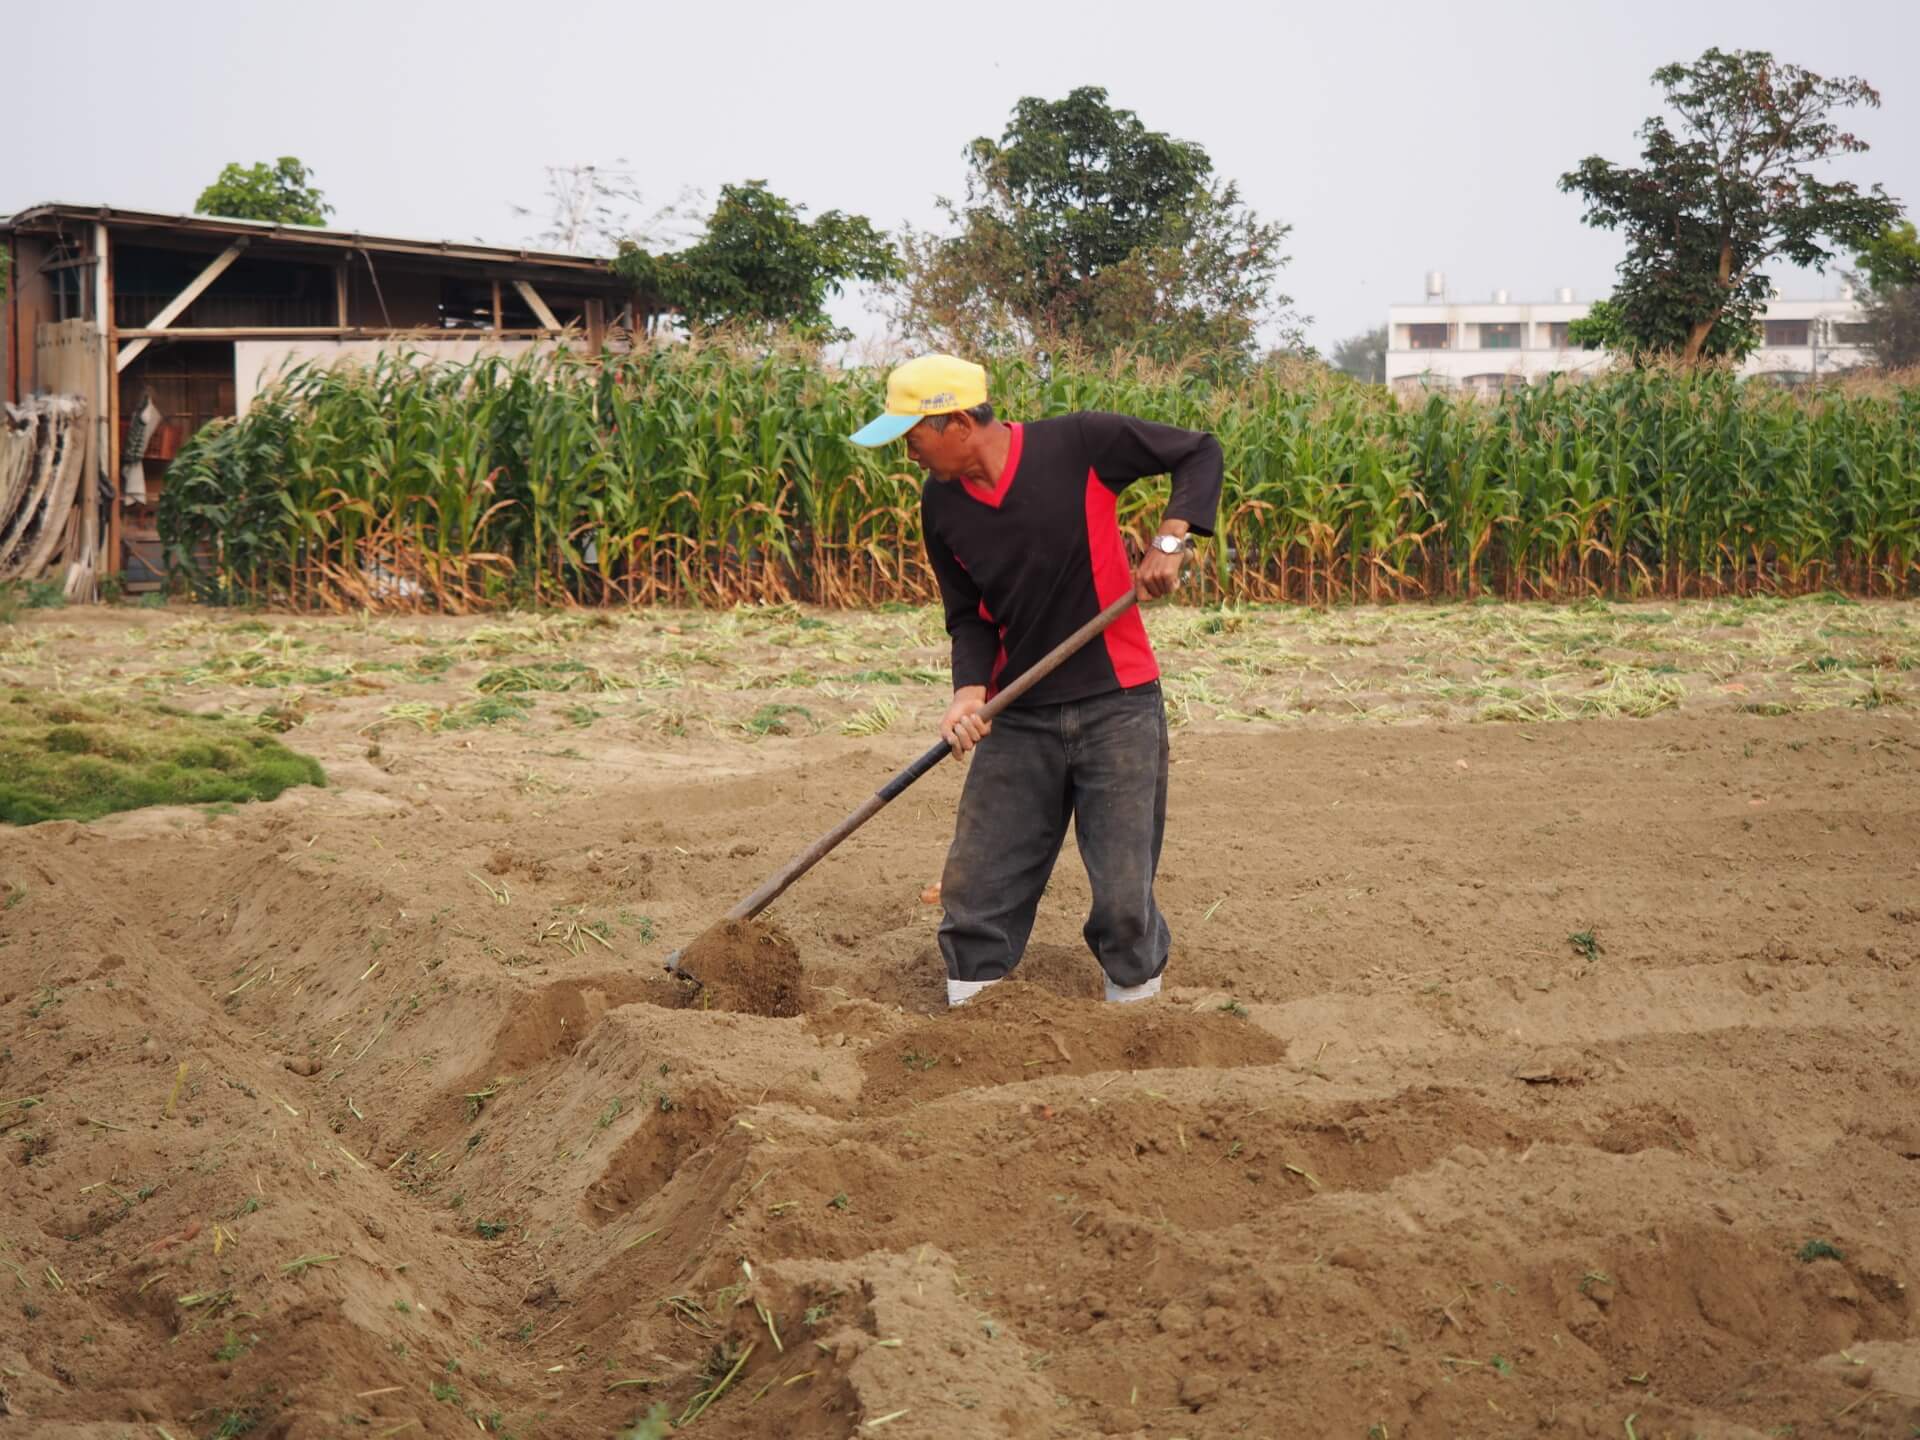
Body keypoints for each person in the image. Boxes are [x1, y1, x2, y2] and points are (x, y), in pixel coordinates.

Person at [849, 353, 1223, 1007]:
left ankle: (1134, 1016)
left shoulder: (1077, 443)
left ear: (958, 421)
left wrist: (1170, 540)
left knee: (1122, 895)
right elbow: (967, 615)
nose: (908, 454)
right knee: (978, 885)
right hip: (1018, 713)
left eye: (912, 437)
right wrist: (969, 696)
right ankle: (973, 1015)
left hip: (1118, 702)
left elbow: (1198, 453)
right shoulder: (941, 506)